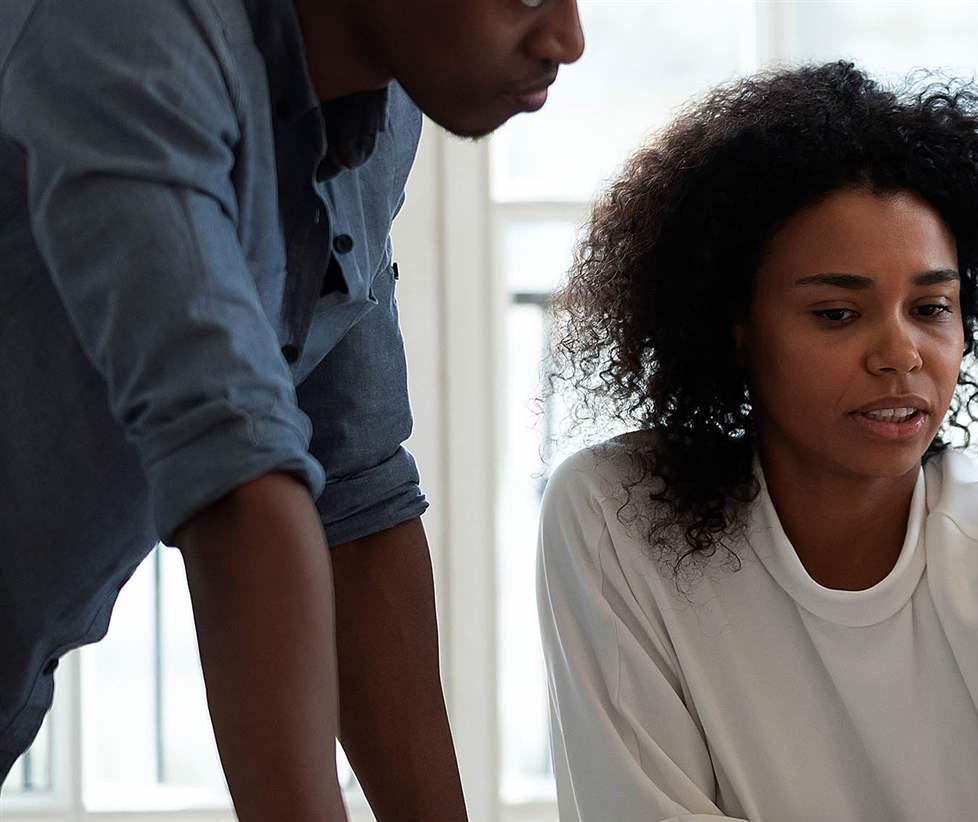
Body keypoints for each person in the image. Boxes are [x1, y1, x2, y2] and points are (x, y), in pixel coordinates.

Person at [535, 62, 978, 822]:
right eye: (836, 313)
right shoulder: (620, 515)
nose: (901, 354)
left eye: (932, 307)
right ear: (734, 325)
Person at [0, 0, 584, 817]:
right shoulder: (123, 25)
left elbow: (354, 490)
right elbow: (233, 479)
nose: (569, 40)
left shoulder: (383, 106)